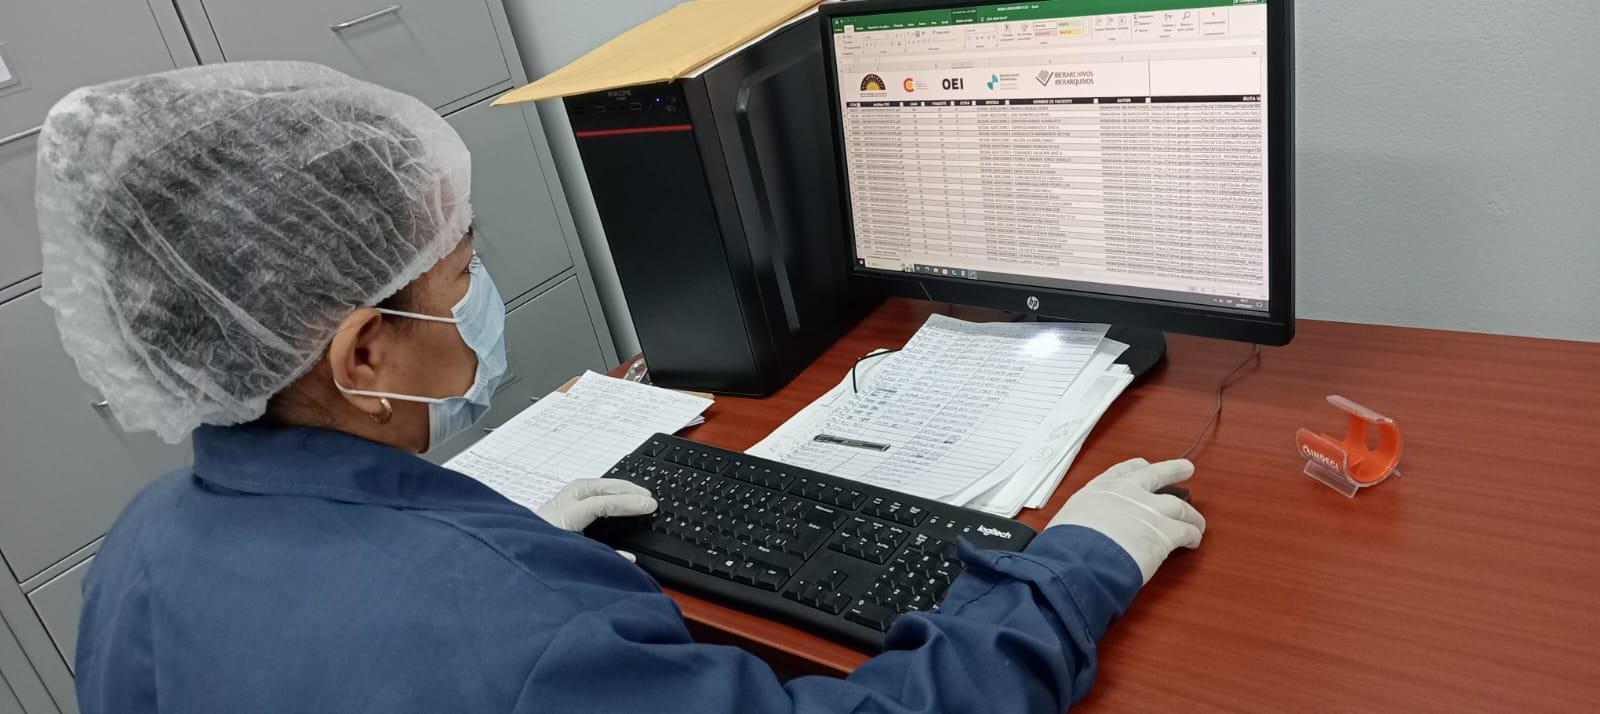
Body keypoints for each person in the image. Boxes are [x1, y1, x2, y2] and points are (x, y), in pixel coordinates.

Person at [38, 62, 1206, 713]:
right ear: (364, 356)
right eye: (459, 272)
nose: (481, 292)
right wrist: (1067, 572)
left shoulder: (141, 548)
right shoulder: (509, 637)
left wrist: (521, 555)